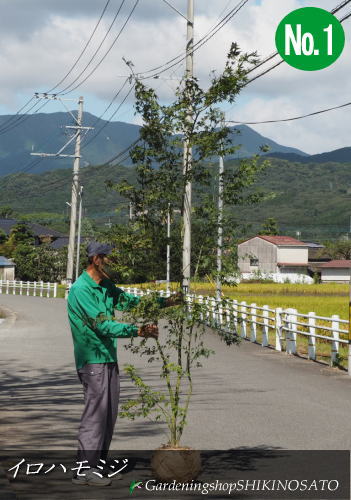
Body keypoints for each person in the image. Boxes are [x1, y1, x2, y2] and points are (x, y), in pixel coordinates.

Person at [67, 241, 180, 487]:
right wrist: (137, 330)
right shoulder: (81, 290)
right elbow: (102, 325)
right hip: (92, 359)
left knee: (108, 416)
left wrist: (166, 303)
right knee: (95, 415)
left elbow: (130, 302)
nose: (115, 264)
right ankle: (83, 470)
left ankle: (97, 465)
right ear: (96, 259)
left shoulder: (105, 286)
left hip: (107, 357)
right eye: (110, 259)